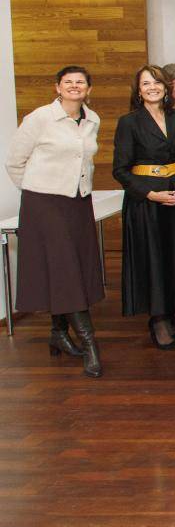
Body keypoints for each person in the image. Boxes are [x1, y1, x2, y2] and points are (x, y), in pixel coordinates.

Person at [5, 66, 104, 377]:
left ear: (88, 89)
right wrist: (37, 191)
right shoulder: (40, 118)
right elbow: (14, 162)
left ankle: (58, 333)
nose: (74, 86)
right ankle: (90, 344)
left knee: (72, 268)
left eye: (80, 82)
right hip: (45, 204)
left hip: (78, 202)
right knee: (65, 270)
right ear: (57, 87)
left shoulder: (92, 119)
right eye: (68, 82)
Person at [113, 64, 175, 350]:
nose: (152, 88)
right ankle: (158, 318)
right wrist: (150, 194)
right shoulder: (129, 122)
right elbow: (120, 170)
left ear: (165, 87)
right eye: (146, 83)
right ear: (138, 90)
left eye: (157, 82)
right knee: (154, 258)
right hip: (147, 202)